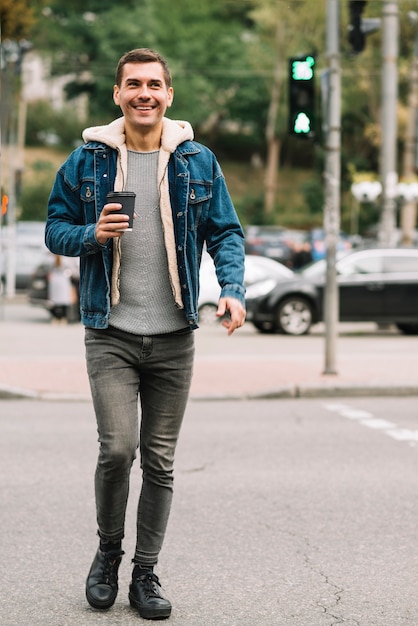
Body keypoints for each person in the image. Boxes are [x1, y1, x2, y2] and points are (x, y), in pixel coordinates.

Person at [45, 48, 246, 620]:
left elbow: (225, 232)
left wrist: (231, 288)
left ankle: (145, 573)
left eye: (154, 85)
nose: (144, 94)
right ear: (117, 94)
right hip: (111, 332)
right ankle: (108, 554)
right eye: (133, 84)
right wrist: (92, 233)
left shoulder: (197, 161)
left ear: (168, 95)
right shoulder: (86, 162)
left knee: (159, 462)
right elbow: (54, 230)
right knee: (117, 450)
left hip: (174, 336)